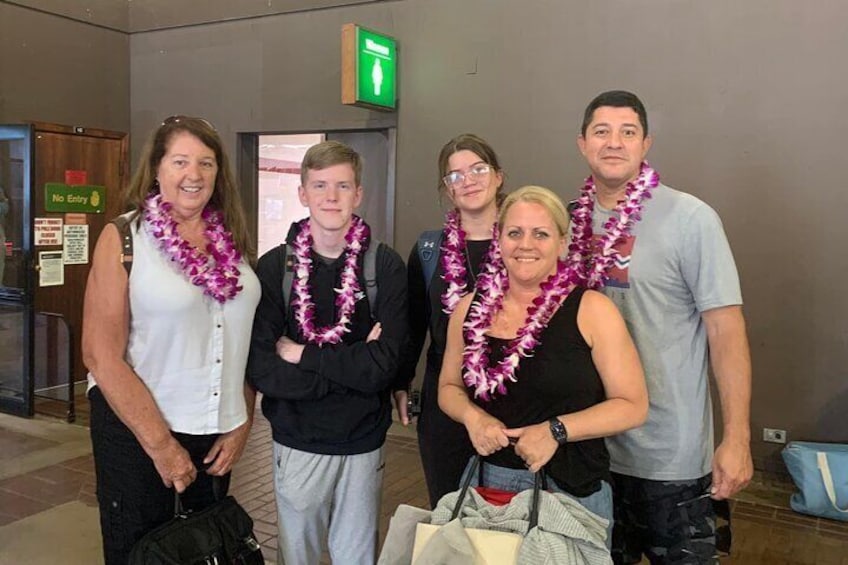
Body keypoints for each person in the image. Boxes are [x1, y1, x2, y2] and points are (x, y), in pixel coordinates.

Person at [571, 90, 753, 564]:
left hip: (671, 457)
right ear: (582, 143)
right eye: (602, 131)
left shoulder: (691, 219)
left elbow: (727, 333)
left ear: (645, 143)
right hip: (591, 451)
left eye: (627, 132)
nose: (614, 142)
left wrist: (736, 439)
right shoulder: (565, 225)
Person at [81, 115, 260, 564]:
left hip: (216, 436)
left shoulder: (231, 240)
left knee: (208, 551)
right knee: (143, 554)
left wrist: (242, 419)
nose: (193, 174)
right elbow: (100, 356)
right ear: (157, 169)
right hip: (139, 434)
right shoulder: (124, 238)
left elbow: (241, 341)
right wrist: (162, 447)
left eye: (206, 163)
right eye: (180, 161)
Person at [438, 185, 649, 542]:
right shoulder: (468, 309)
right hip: (486, 484)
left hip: (571, 490)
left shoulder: (592, 310)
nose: (526, 245)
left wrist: (555, 430)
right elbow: (448, 388)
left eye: (541, 234)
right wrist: (473, 417)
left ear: (563, 242)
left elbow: (633, 406)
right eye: (515, 233)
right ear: (499, 239)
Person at [247, 140, 408, 565]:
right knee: (296, 557)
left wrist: (304, 356)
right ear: (302, 193)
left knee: (356, 558)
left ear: (359, 194)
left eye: (342, 186)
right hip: (297, 443)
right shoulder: (274, 268)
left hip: (363, 442)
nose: (331, 197)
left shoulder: (384, 267)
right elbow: (263, 368)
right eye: (319, 186)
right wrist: (354, 366)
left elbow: (384, 366)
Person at [398, 133, 505, 507]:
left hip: (511, 397)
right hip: (445, 398)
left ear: (498, 177)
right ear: (447, 189)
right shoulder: (430, 250)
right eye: (455, 175)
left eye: (478, 168)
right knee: (448, 511)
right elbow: (413, 327)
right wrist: (401, 382)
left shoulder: (523, 243)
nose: (469, 180)